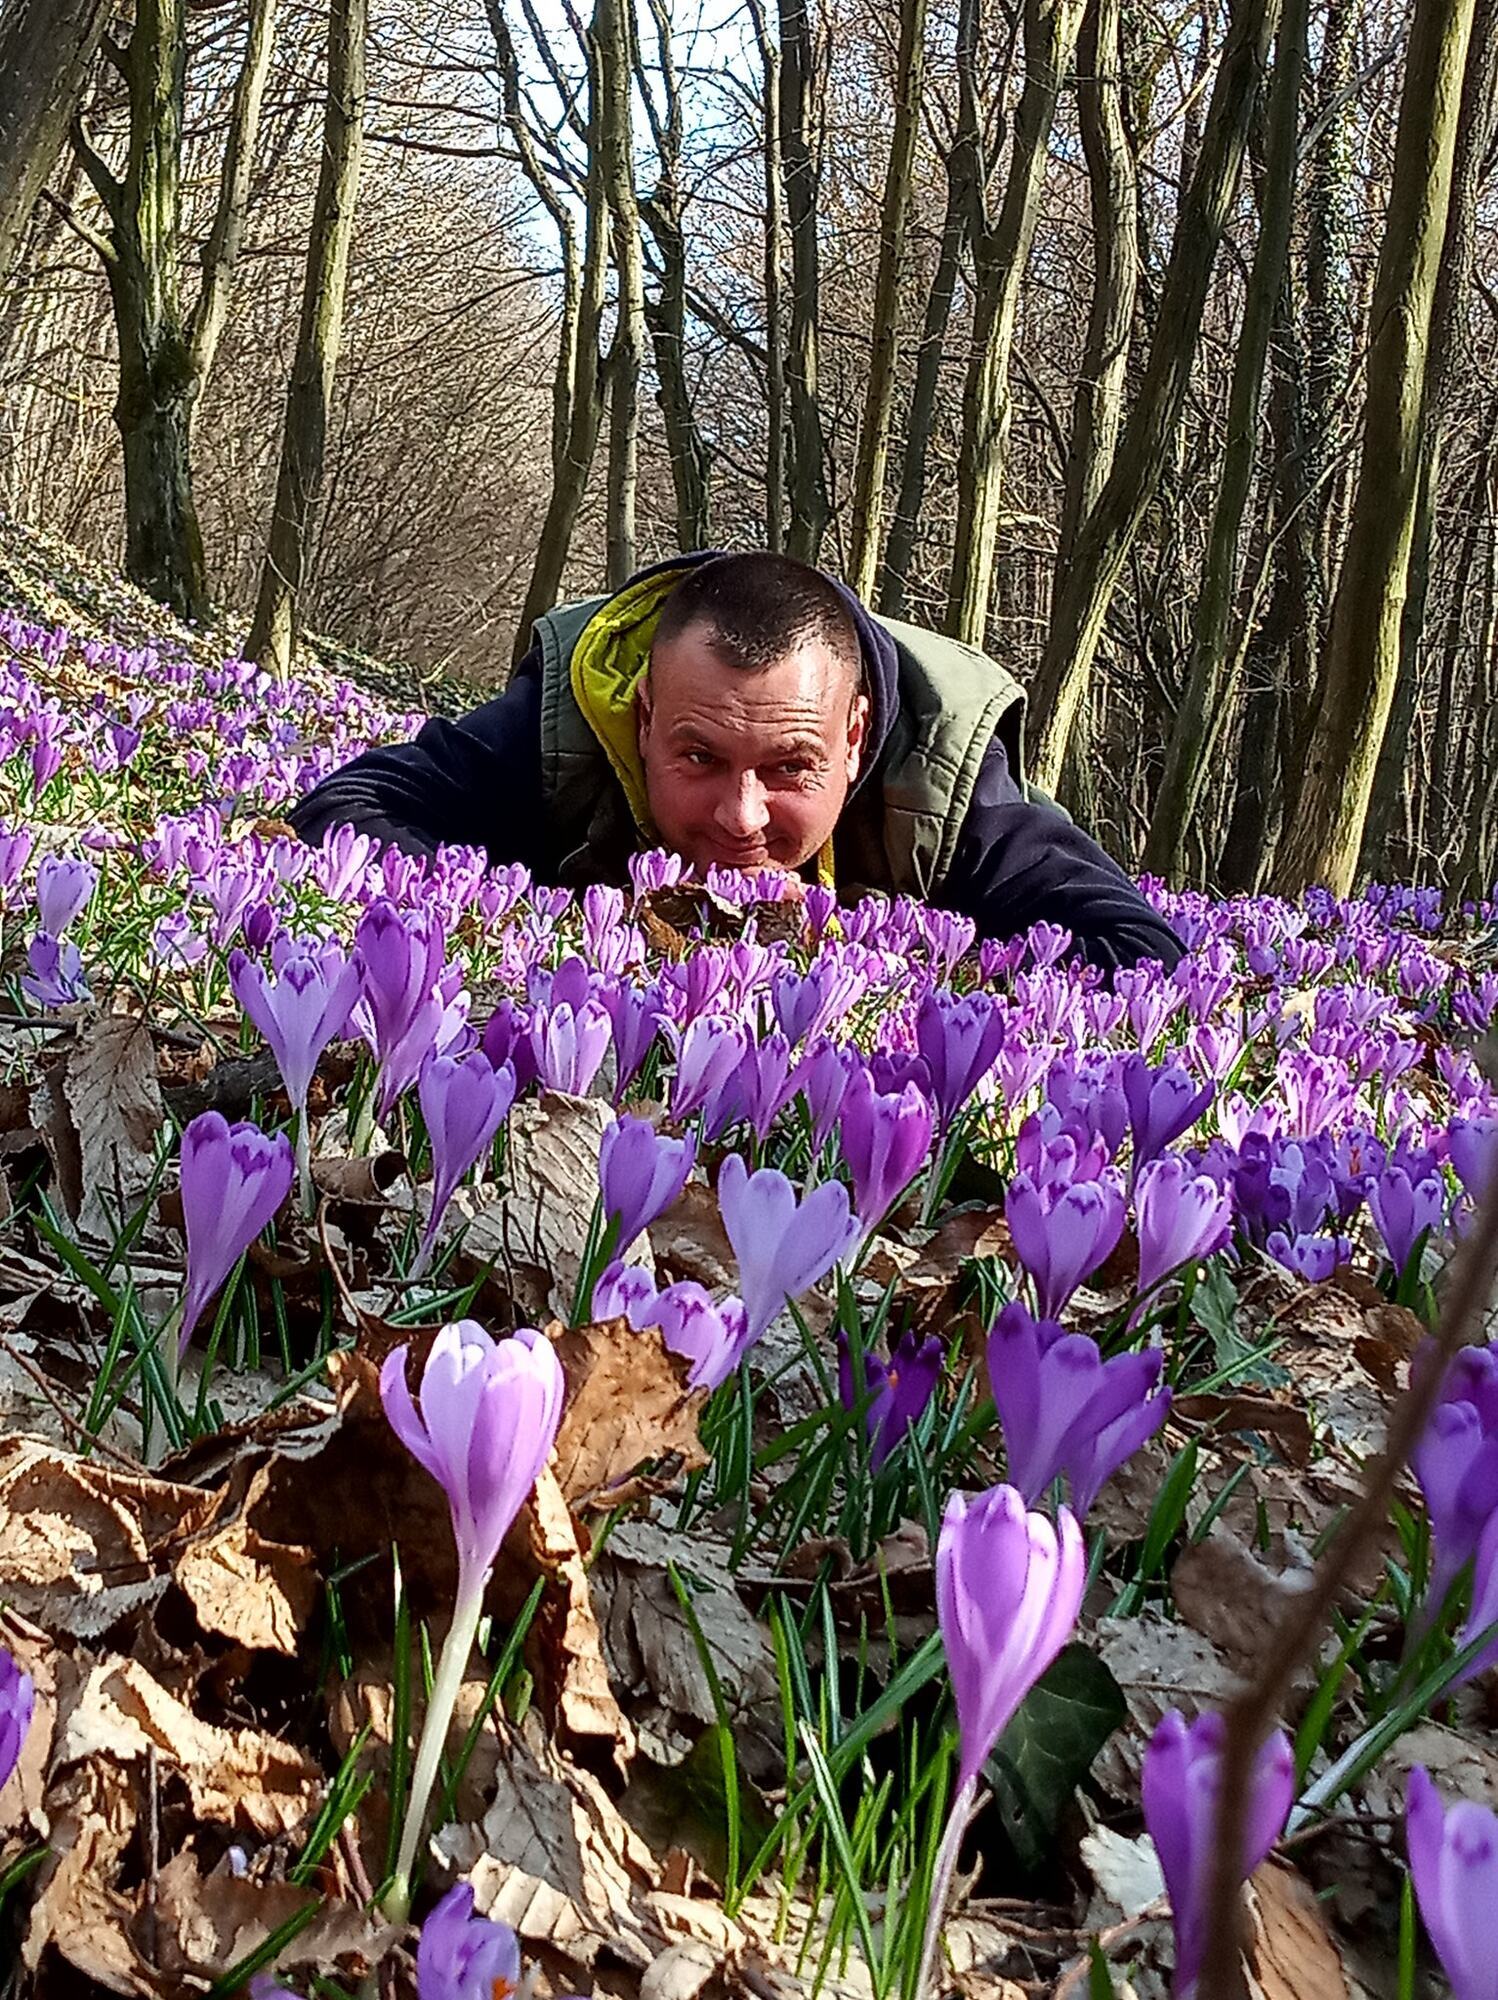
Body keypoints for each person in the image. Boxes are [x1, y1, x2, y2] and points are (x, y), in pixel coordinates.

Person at [290, 551, 1181, 972]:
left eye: (791, 767)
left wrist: (870, 961)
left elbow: (1143, 951)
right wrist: (551, 925)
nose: (739, 817)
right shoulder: (569, 721)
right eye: (700, 756)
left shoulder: (943, 777)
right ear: (642, 721)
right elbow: (351, 808)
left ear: (856, 735)